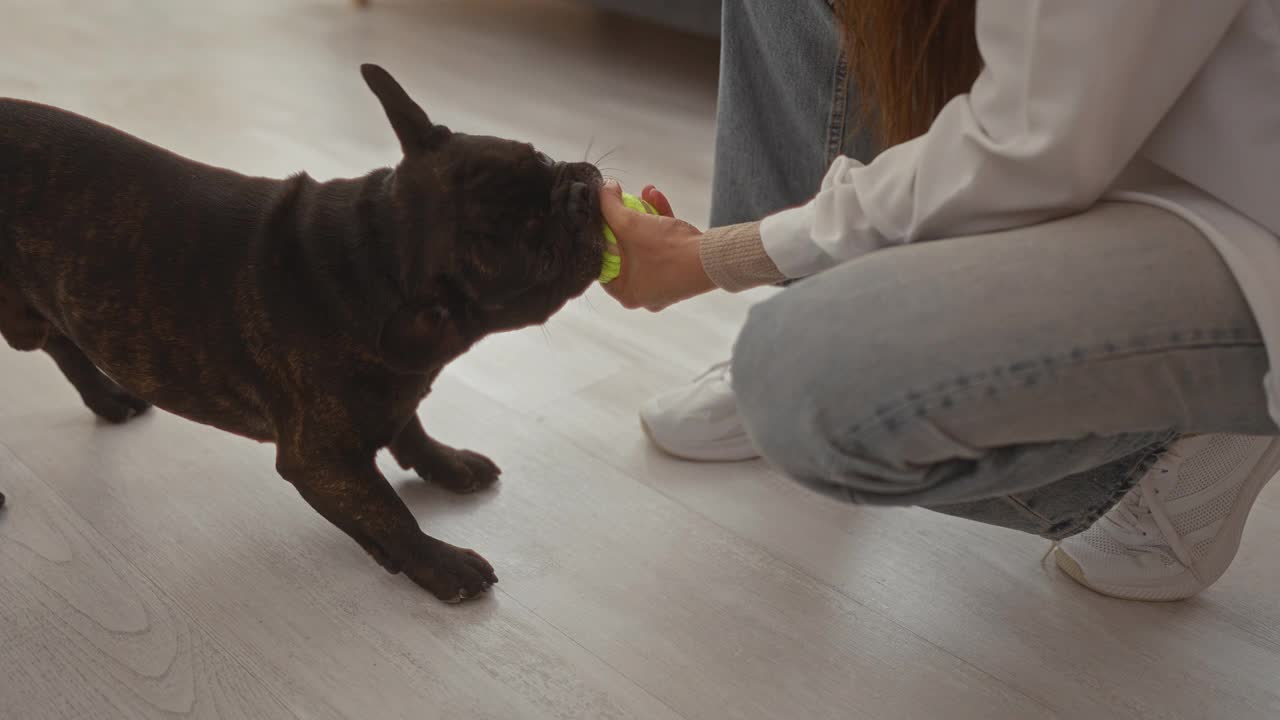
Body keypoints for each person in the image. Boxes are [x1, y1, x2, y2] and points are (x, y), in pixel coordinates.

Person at [599, 0, 1280, 602]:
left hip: (1248, 211)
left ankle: (1190, 433)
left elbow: (1026, 156)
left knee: (808, 384)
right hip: (1144, 131)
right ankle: (814, 291)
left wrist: (713, 258)